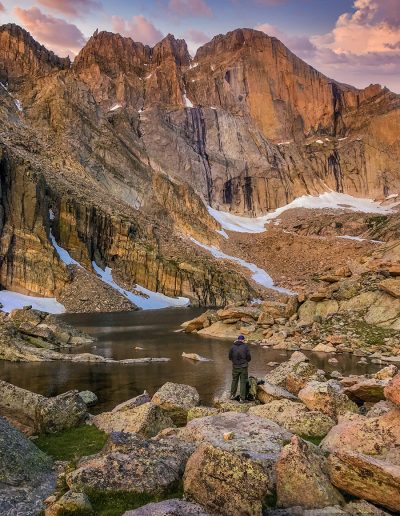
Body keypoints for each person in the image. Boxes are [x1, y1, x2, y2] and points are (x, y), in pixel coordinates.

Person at [228, 334, 251, 403]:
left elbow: (229, 357)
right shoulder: (246, 347)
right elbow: (249, 358)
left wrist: (234, 361)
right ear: (243, 340)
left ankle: (232, 395)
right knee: (243, 382)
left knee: (234, 380)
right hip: (243, 367)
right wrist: (245, 361)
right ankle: (242, 398)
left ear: (237, 340)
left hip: (235, 366)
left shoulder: (232, 347)